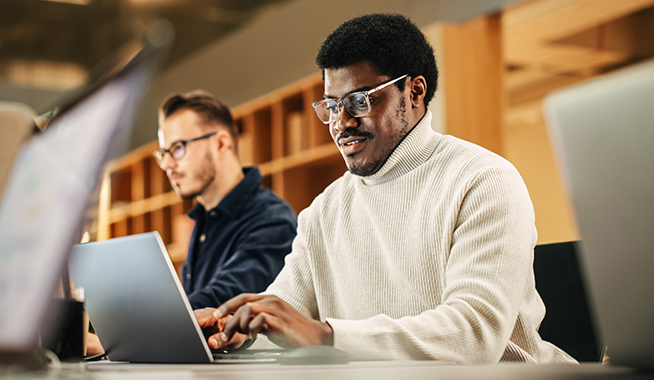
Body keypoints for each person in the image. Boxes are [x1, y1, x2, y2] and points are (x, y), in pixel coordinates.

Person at [195, 14, 576, 364]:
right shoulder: (324, 210)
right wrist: (230, 331)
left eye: (359, 101)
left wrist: (326, 337)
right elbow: (285, 317)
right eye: (331, 104)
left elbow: (474, 336)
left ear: (414, 92)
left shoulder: (482, 180)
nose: (340, 122)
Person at [154, 90, 297, 309]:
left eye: (178, 148)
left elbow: (223, 303)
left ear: (221, 143)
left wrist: (141, 329)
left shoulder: (272, 220)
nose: (166, 165)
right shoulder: (203, 219)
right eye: (163, 154)